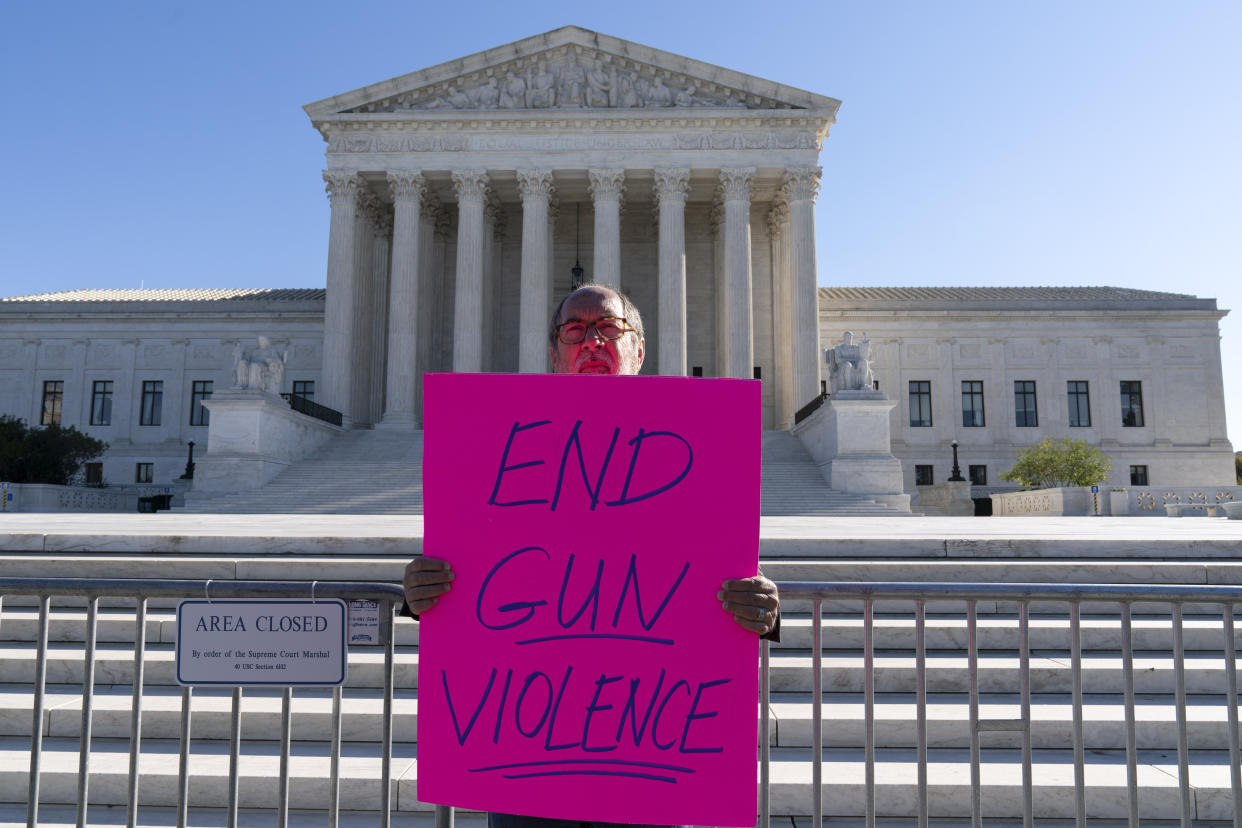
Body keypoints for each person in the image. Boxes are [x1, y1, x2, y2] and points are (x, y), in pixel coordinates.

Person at [402, 283, 780, 828]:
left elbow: (716, 559)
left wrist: (764, 605)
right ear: (555, 354)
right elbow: (475, 562)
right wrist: (421, 593)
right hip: (530, 741)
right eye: (575, 330)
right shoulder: (496, 448)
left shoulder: (699, 450)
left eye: (609, 327)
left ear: (639, 350)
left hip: (647, 741)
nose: (592, 342)